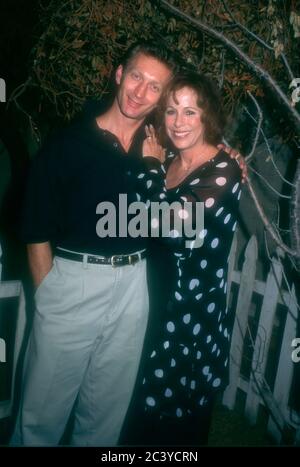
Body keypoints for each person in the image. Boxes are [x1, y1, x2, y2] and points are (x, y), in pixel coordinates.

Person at [10, 41, 244, 447]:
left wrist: (225, 154)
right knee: (40, 421)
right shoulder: (69, 143)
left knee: (105, 419)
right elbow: (34, 227)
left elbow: (187, 189)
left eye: (155, 87)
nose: (141, 92)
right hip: (73, 283)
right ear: (119, 74)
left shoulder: (157, 150)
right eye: (136, 76)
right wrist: (47, 293)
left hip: (135, 287)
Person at [120, 70, 242, 446]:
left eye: (191, 112)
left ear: (208, 117)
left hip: (190, 318)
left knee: (178, 429)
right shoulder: (169, 158)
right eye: (172, 111)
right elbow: (130, 217)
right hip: (152, 304)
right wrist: (154, 169)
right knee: (138, 417)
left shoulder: (224, 169)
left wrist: (150, 168)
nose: (179, 122)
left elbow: (167, 227)